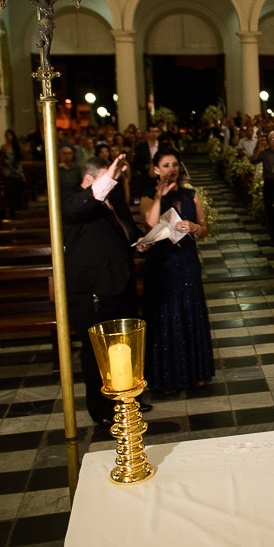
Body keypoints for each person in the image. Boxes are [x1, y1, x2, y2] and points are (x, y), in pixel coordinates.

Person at [63, 155, 149, 426]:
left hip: (120, 284)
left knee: (124, 349)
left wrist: (140, 241)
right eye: (107, 179)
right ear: (89, 180)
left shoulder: (115, 201)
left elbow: (127, 232)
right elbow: (79, 207)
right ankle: (100, 408)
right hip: (92, 293)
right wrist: (107, 180)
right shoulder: (74, 202)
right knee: (95, 353)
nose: (113, 184)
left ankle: (127, 399)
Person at [141, 148, 214, 393]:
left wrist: (194, 226)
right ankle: (167, 376)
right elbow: (151, 223)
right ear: (155, 170)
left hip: (187, 262)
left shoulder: (191, 195)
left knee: (190, 314)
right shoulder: (148, 197)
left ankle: (196, 373)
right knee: (166, 317)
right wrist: (160, 196)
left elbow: (204, 228)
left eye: (174, 165)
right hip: (162, 265)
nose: (171, 170)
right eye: (165, 165)